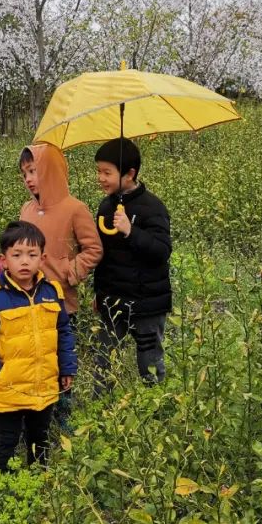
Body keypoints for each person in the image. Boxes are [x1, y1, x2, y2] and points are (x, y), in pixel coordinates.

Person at [0, 221, 77, 472]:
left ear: (43, 258)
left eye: (32, 254)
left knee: (39, 434)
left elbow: (63, 331)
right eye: (17, 255)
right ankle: (2, 478)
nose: (24, 261)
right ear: (4, 259)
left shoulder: (51, 291)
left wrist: (67, 367)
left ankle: (39, 475)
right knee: (6, 437)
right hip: (9, 385)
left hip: (44, 381)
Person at [18, 142, 102, 426]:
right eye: (24, 173)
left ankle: (63, 415)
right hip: (28, 300)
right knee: (35, 357)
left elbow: (93, 249)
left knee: (62, 358)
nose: (29, 179)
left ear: (50, 171)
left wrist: (70, 271)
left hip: (63, 302)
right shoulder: (26, 209)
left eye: (34, 171)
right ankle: (38, 411)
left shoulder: (74, 208)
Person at [93, 137, 172, 386]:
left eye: (107, 172)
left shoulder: (153, 207)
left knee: (149, 364)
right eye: (99, 171)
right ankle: (101, 416)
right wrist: (98, 292)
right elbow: (103, 255)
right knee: (103, 362)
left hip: (147, 304)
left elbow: (161, 250)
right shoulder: (106, 207)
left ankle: (157, 411)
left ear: (130, 173)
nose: (101, 178)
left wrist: (131, 231)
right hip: (113, 300)